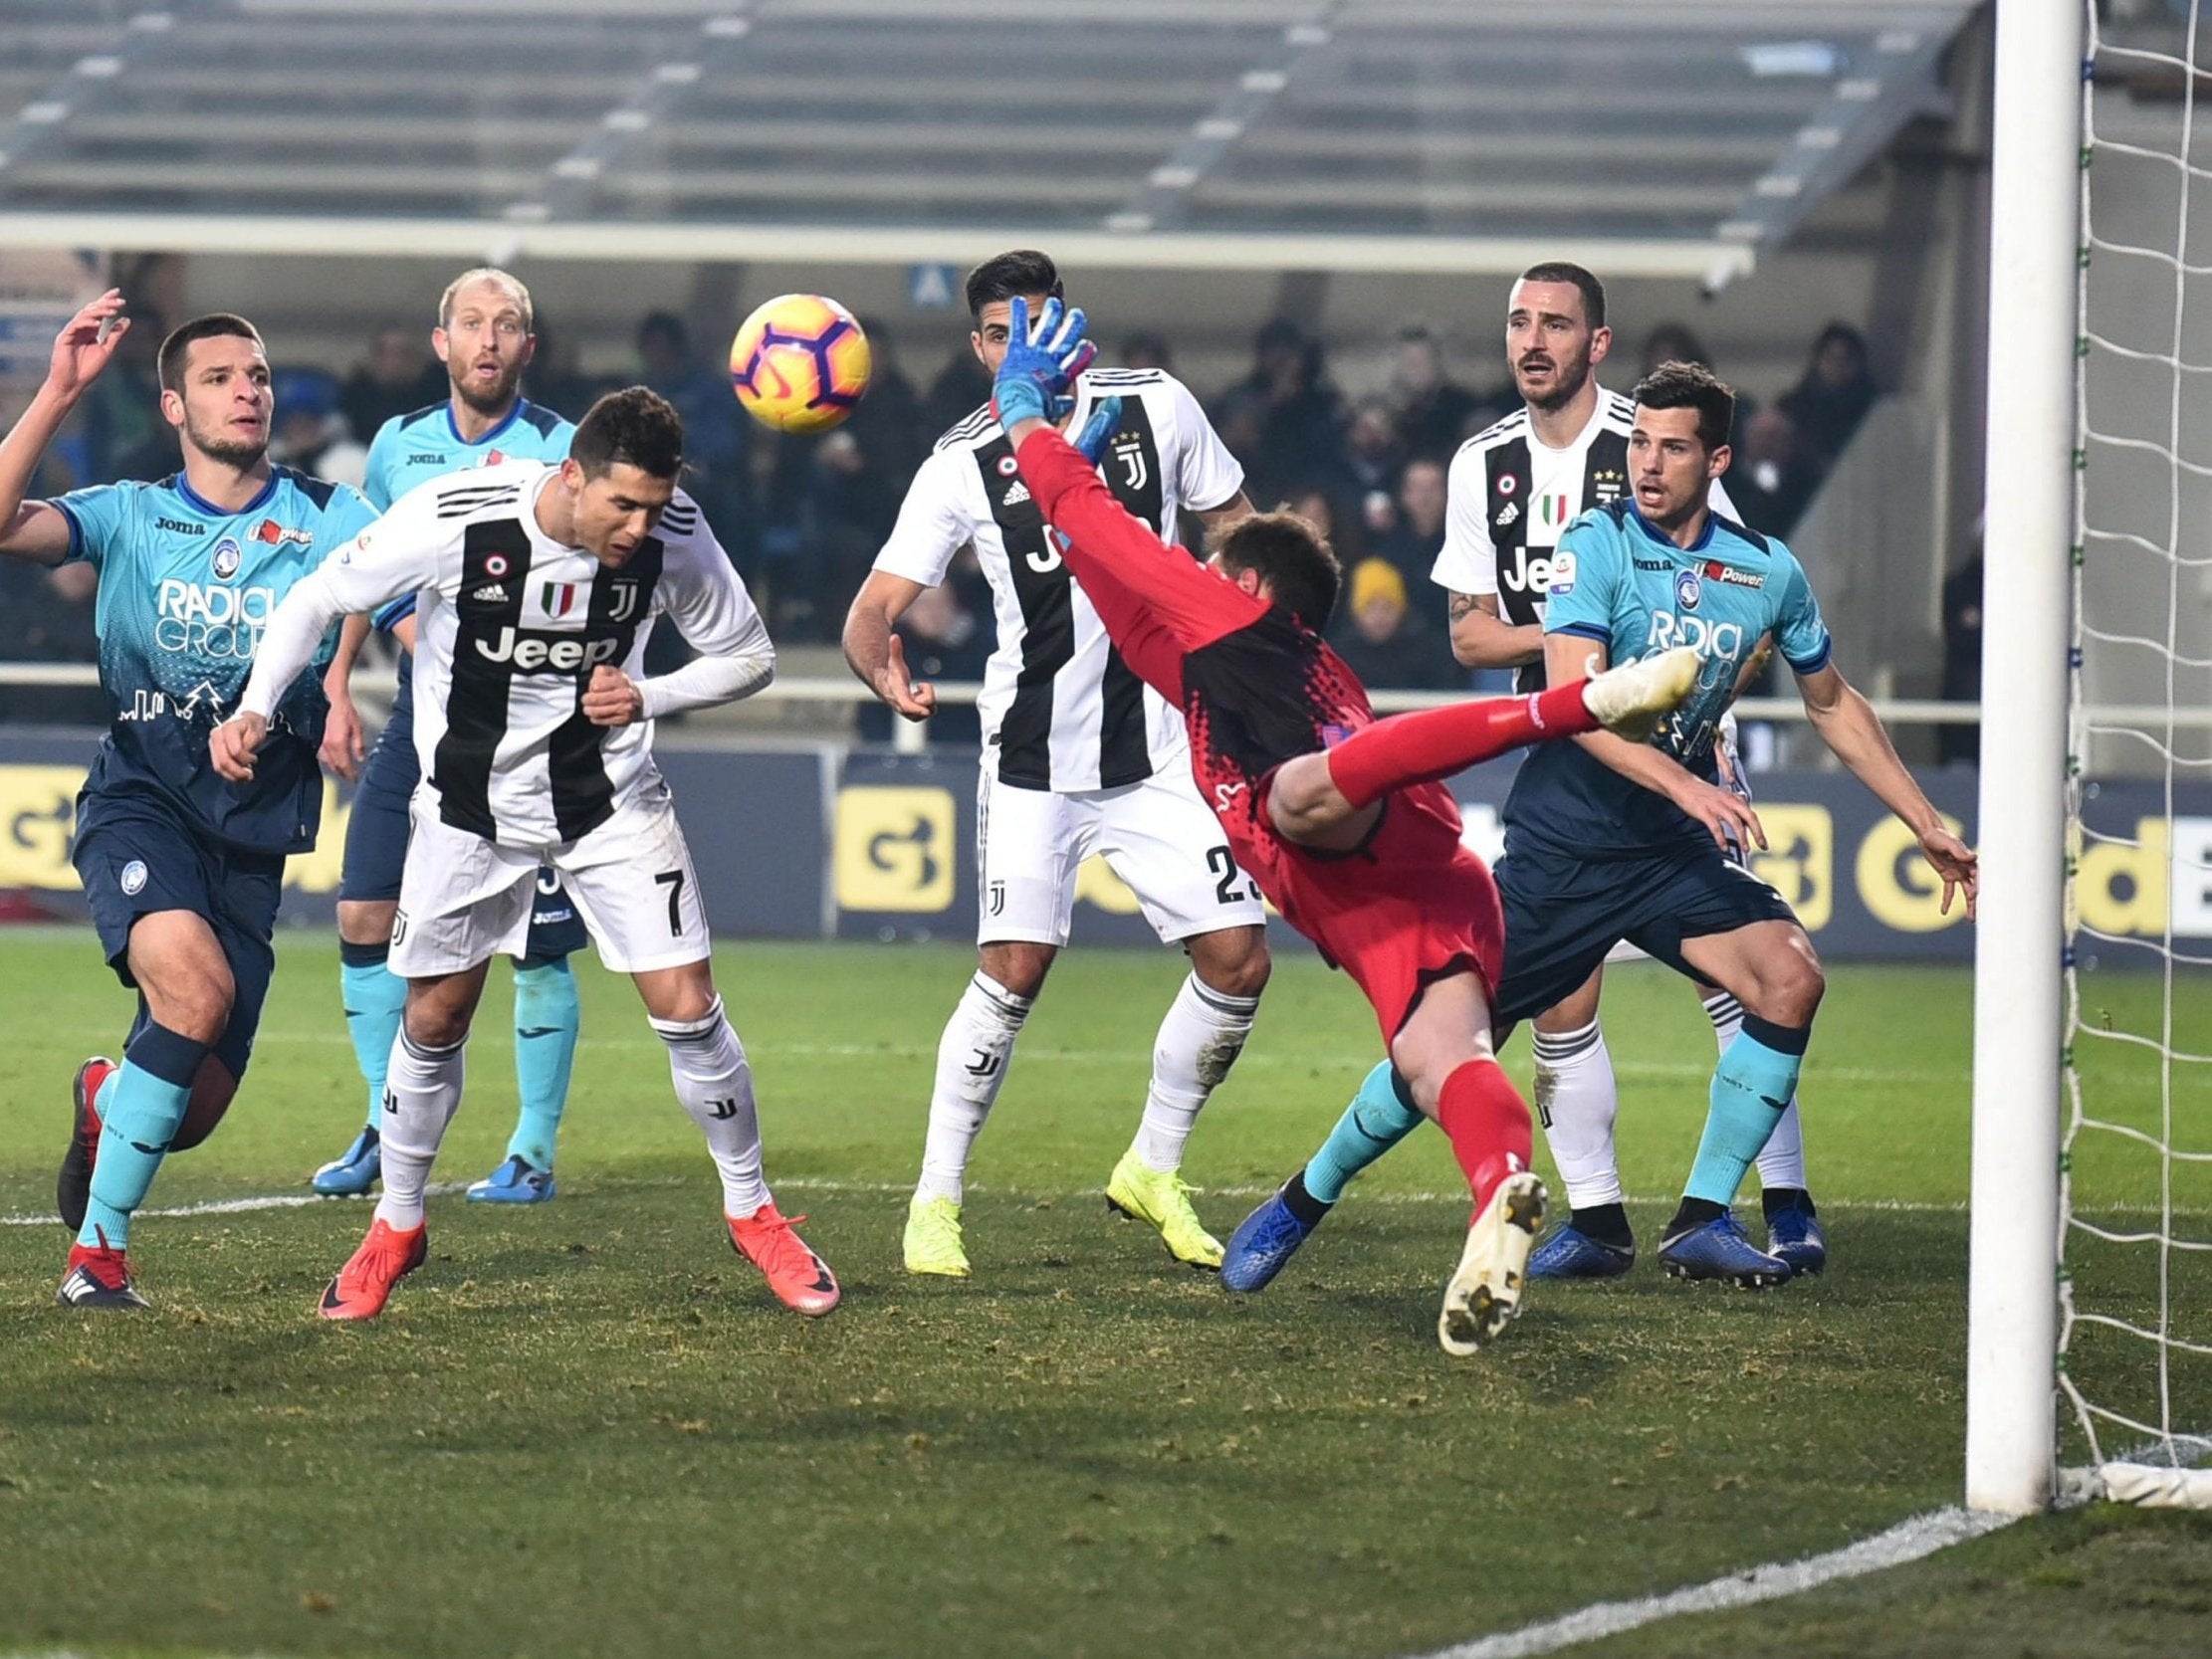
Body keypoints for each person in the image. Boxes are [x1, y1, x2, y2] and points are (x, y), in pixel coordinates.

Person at [988, 296, 1700, 1350]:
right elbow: (1113, 578)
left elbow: (1115, 549)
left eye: (1209, 562)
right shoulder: (1240, 660)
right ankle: (1499, 1187)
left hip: (1334, 829)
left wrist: (1028, 427)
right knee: (1439, 1062)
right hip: (1420, 884)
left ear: (1238, 582)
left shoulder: (1227, 613)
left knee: (1300, 791)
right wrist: (1068, 490)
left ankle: (1569, 703)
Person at [1224, 362, 1978, 1295]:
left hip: (1668, 855)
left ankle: (1704, 1218)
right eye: (1640, 443)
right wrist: (1689, 787)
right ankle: (1302, 1199)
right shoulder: (1595, 543)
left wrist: (1924, 822)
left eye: (1672, 447)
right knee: (1441, 1050)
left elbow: (1833, 704)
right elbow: (1575, 700)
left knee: (1789, 976)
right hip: (1566, 849)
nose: (1648, 463)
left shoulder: (1766, 569)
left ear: (1718, 459)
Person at [212, 388, 839, 1323]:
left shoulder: (676, 532)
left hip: (609, 805)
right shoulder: (459, 514)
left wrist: (650, 694)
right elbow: (317, 595)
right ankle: (398, 1223)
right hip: (469, 811)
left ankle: (754, 1211)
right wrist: (259, 703)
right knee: (434, 1016)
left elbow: (749, 655)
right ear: (572, 476)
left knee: (691, 1006)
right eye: (620, 505)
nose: (637, 527)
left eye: (652, 507)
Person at [843, 250, 1270, 1281]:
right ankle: (934, 1198)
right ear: (978, 345)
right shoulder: (962, 458)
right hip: (1033, 758)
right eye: (996, 335)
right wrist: (880, 667)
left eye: (1031, 327)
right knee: (1012, 971)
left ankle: (1152, 1166)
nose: (1014, 350)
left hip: (1161, 746)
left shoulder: (1155, 406)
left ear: (1067, 325)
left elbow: (1237, 524)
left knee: (1238, 959)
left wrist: (1250, 607)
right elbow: (871, 609)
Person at [1420, 262, 1825, 1281]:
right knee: (1561, 991)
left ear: (1595, 344)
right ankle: (1598, 1220)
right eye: (1517, 321)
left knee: (1738, 980)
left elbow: (1733, 578)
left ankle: (1781, 1199)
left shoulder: (1645, 438)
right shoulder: (1481, 463)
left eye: (1554, 323)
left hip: (1684, 746)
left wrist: (1682, 693)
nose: (1531, 340)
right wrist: (1578, 638)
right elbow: (1467, 637)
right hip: (1563, 743)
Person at [0, 296, 380, 1309]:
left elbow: (382, 584)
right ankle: (98, 1256)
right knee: (195, 995)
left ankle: (104, 1096)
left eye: (255, 374)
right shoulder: (128, 510)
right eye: (219, 377)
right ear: (174, 403)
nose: (246, 389)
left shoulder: (325, 513)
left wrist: (340, 680)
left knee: (190, 1107)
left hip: (253, 836)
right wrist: (58, 391)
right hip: (143, 797)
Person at [310, 268, 589, 1207]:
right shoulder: (399, 445)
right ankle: (386, 1125)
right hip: (419, 726)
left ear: (527, 347)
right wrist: (341, 682)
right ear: (443, 343)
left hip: (528, 740)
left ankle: (533, 1151)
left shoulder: (561, 450)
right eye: (471, 323)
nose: (488, 340)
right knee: (361, 915)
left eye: (507, 325)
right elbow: (365, 565)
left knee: (535, 947)